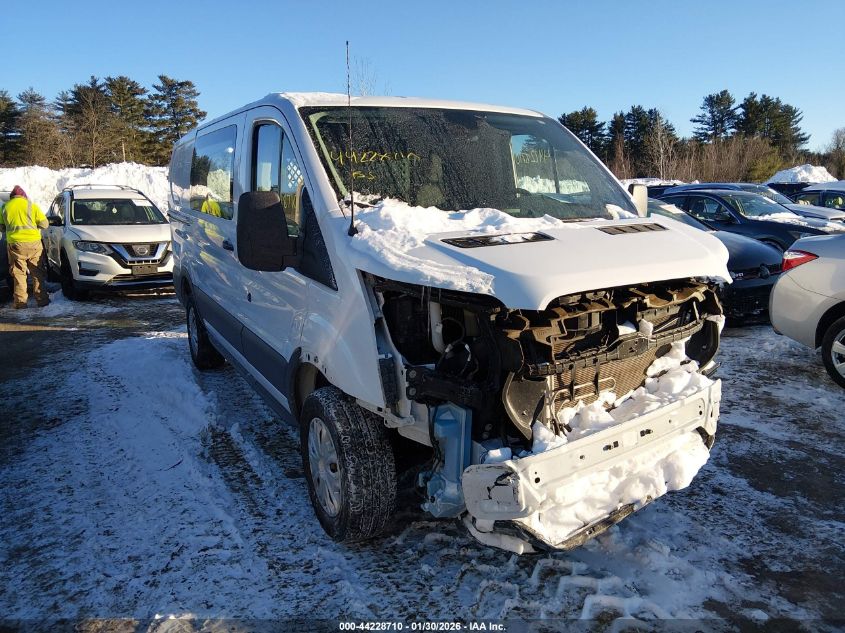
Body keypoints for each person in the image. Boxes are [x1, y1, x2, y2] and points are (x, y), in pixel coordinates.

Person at [0, 185, 49, 308]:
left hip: (16, 245)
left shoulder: (5, 207)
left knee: (19, 274)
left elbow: (1, 227)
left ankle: (20, 303)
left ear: (12, 196)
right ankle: (42, 301)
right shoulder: (31, 206)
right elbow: (45, 224)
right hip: (34, 244)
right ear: (24, 196)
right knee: (37, 272)